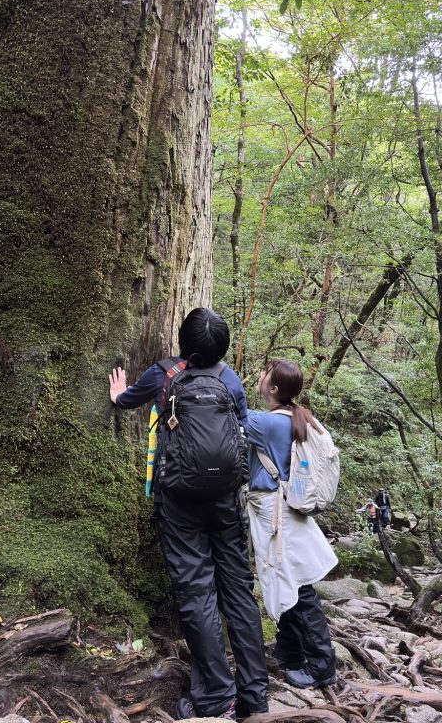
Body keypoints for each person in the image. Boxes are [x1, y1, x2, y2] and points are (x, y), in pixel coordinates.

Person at [108, 308, 268, 721]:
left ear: (182, 340)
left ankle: (216, 698)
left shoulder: (164, 373)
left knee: (197, 592)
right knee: (238, 590)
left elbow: (127, 402)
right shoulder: (230, 381)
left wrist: (118, 394)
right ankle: (254, 693)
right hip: (227, 501)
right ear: (222, 348)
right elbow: (243, 431)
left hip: (179, 500)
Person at [245, 358, 338, 690]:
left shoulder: (269, 424)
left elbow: (230, 411)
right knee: (290, 585)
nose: (259, 374)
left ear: (273, 389)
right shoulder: (294, 418)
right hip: (283, 513)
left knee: (298, 589)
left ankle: (322, 668)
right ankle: (290, 656)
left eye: (264, 372)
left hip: (276, 515)